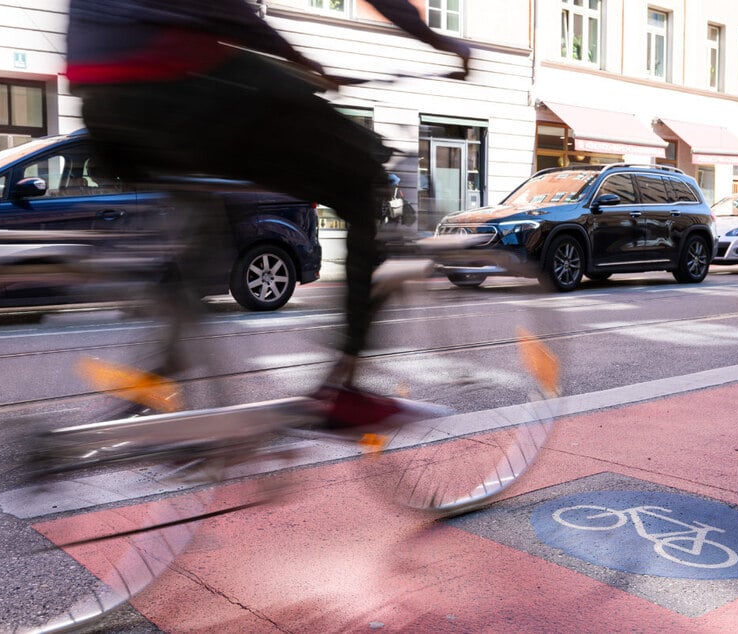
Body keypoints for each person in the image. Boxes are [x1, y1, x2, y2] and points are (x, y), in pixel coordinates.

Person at [65, 0, 470, 428]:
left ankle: (165, 365)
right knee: (363, 180)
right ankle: (342, 389)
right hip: (173, 79)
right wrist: (438, 41)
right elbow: (229, 13)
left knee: (209, 212)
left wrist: (295, 64)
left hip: (102, 106)